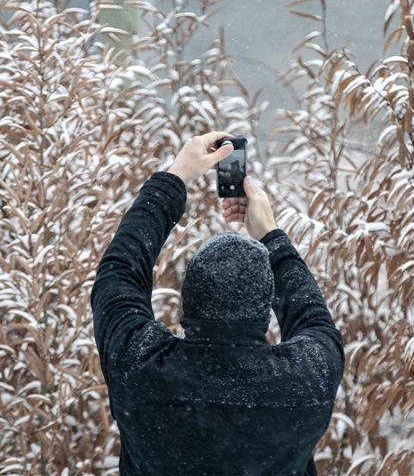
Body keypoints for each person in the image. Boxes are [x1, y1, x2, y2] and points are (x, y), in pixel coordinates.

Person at [91, 131, 344, 475]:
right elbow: (313, 318)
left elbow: (118, 274)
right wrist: (271, 235)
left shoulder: (142, 368)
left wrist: (175, 177)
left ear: (188, 301)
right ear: (266, 305)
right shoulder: (305, 381)